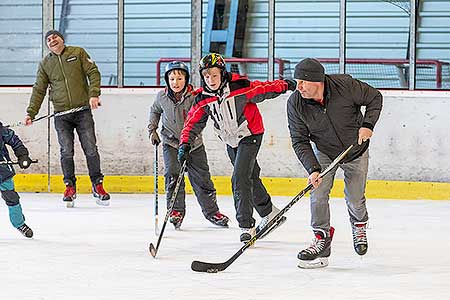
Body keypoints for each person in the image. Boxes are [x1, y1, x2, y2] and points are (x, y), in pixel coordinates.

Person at [178, 53, 297, 243]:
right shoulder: (202, 98)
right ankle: (269, 212)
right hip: (230, 140)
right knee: (250, 176)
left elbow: (264, 89)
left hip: (250, 134)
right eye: (207, 76)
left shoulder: (239, 87)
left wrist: (286, 85)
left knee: (239, 177)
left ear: (222, 73)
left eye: (214, 75)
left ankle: (246, 226)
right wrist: (184, 144)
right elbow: (192, 122)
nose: (211, 80)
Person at [286, 58, 383, 268]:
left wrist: (368, 125)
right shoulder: (295, 103)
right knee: (318, 194)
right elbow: (299, 140)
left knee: (355, 199)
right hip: (324, 151)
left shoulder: (345, 86)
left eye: (303, 81)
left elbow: (375, 97)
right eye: (297, 81)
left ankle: (358, 225)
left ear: (317, 81)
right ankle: (322, 239)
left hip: (355, 150)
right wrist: (312, 169)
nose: (298, 87)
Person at [24, 30, 110, 208]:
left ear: (62, 39)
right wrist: (31, 113)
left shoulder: (77, 53)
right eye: (48, 40)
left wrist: (94, 94)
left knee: (90, 148)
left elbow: (93, 73)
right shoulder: (45, 64)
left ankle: (97, 184)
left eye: (55, 37)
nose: (52, 40)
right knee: (66, 151)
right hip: (61, 115)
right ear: (47, 45)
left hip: (82, 111)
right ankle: (69, 186)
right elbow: (39, 89)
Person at [148, 61, 229, 229]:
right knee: (173, 176)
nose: (175, 83)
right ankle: (176, 211)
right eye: (172, 79)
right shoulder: (161, 97)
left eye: (179, 78)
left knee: (202, 179)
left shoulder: (195, 96)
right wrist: (152, 130)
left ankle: (212, 212)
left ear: (186, 79)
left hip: (194, 145)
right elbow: (155, 111)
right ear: (167, 80)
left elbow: (206, 113)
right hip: (170, 143)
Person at [0, 122, 34, 238]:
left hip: (2, 171)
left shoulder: (1, 130)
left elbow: (14, 140)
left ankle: (19, 224)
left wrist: (22, 155)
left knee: (11, 197)